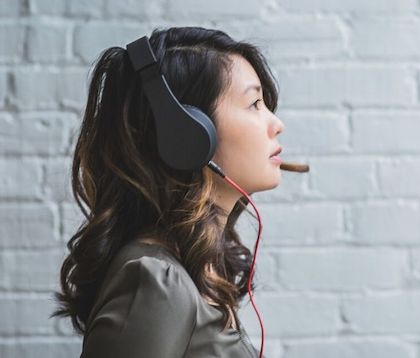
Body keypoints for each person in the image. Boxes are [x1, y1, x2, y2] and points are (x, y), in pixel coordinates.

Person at [50, 26, 289, 357]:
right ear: (186, 136)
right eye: (254, 104)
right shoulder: (153, 280)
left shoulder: (192, 271)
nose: (276, 124)